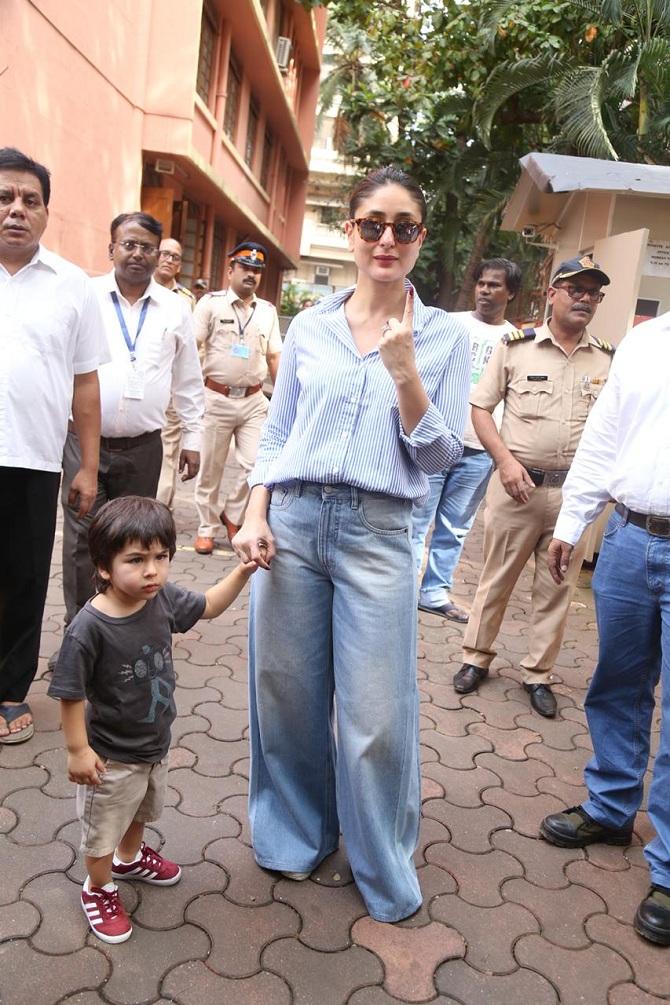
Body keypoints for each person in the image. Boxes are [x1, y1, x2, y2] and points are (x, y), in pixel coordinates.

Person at [233, 167, 470, 922]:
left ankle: (379, 859)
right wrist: (254, 511)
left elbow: (438, 457)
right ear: (352, 230)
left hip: (379, 534)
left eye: (403, 226)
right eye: (372, 223)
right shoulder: (309, 325)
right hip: (294, 525)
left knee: (375, 714)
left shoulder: (445, 335)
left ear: (420, 238)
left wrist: (406, 376)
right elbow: (278, 432)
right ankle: (296, 836)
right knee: (287, 697)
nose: (386, 240)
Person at [48, 495, 257, 943]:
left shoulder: (160, 599)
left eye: (161, 557)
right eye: (136, 560)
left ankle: (130, 859)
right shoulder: (89, 627)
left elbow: (209, 606)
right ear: (103, 566)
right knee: (102, 830)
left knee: (141, 811)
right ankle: (99, 886)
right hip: (109, 757)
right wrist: (77, 750)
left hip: (153, 745)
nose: (152, 571)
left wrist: (241, 572)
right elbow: (68, 692)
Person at [540, 311, 670, 946]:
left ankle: (669, 867)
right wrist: (571, 523)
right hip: (626, 536)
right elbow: (603, 437)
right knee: (616, 683)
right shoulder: (647, 342)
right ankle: (612, 808)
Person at [455, 256, 614, 718]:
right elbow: (480, 409)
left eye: (593, 293)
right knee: (496, 579)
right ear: (553, 294)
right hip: (516, 487)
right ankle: (475, 658)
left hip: (574, 497)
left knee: (557, 587)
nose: (584, 298)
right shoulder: (516, 346)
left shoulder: (607, 358)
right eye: (575, 289)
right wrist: (503, 462)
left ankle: (538, 674)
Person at [0, 147, 108, 744]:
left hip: (35, 459)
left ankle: (11, 692)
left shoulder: (73, 286)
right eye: (5, 197)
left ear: (45, 211)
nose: (16, 210)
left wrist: (88, 465)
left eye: (29, 200)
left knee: (22, 578)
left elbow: (85, 381)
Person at [59, 212, 204, 627]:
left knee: (133, 541)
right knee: (81, 542)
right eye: (129, 244)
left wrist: (192, 437)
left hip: (143, 447)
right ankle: (80, 630)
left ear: (158, 255)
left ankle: (121, 633)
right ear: (111, 249)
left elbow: (189, 379)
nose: (137, 254)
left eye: (147, 247)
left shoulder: (175, 309)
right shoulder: (84, 296)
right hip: (83, 444)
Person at [412, 258, 521, 623]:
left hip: (478, 451)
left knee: (455, 528)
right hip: (434, 444)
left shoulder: (516, 341)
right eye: (482, 284)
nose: (485, 291)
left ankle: (434, 592)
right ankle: (404, 589)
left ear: (511, 293)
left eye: (495, 286)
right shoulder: (448, 324)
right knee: (415, 520)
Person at [193, 241, 283, 554]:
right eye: (245, 268)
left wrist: (284, 400)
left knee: (258, 464)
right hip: (215, 398)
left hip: (254, 401)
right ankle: (206, 527)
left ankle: (232, 512)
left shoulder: (268, 312)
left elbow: (274, 357)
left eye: (257, 270)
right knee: (211, 468)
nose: (251, 274)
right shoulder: (210, 304)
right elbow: (192, 349)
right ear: (230, 269)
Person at [154, 237, 197, 511]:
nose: (169, 260)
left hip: (170, 387)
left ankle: (158, 506)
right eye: (164, 254)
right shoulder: (135, 288)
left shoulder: (186, 300)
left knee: (167, 449)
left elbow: (190, 351)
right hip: (142, 386)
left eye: (175, 257)